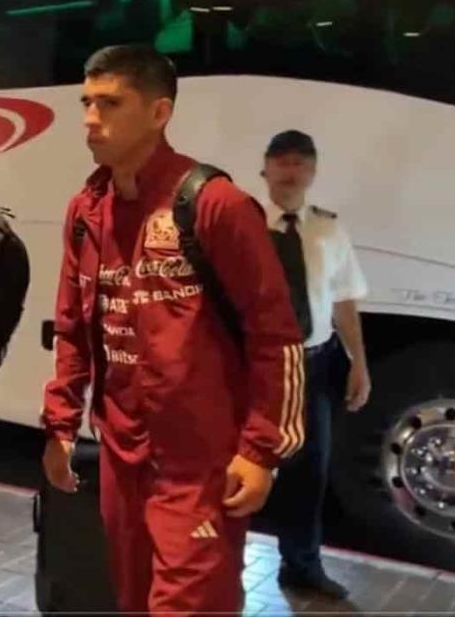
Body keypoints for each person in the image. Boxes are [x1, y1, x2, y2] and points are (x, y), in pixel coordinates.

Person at [40, 44, 305, 615]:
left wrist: (262, 451)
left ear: (159, 112)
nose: (90, 118)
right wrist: (61, 422)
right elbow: (71, 327)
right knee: (133, 601)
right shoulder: (86, 212)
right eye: (86, 101)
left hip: (200, 463)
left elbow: (276, 335)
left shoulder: (215, 205)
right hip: (119, 452)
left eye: (110, 103)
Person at [261, 129, 370, 600]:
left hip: (313, 364)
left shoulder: (329, 229)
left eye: (301, 163)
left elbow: (344, 301)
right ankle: (215, 562)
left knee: (310, 471)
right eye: (281, 161)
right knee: (241, 464)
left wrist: (359, 363)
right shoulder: (239, 225)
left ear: (313, 173)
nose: (291, 170)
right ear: (265, 169)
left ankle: (301, 565)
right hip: (257, 365)